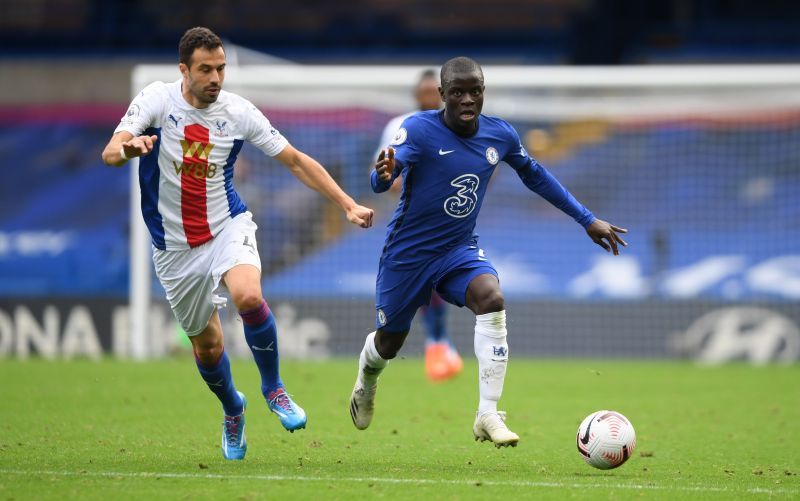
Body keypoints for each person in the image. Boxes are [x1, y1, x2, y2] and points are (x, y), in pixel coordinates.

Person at [101, 27, 374, 460]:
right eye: (205, 69)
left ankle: (274, 389)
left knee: (248, 295)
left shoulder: (239, 112)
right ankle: (233, 409)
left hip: (227, 224)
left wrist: (346, 203)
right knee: (207, 347)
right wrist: (130, 148)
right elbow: (111, 151)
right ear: (184, 71)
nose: (215, 77)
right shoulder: (157, 100)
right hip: (173, 247)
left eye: (221, 68)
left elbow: (296, 161)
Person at [349, 57, 627, 447]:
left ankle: (488, 413)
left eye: (474, 91)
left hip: (458, 248)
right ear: (442, 95)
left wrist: (587, 219)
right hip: (409, 254)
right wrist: (382, 175)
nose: (467, 99)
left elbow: (537, 177)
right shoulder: (417, 129)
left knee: (491, 297)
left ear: (483, 92)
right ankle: (366, 381)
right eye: (457, 92)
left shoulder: (500, 135)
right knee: (389, 343)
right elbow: (383, 181)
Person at [374, 69, 463, 382]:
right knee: (419, 286)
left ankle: (438, 344)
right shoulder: (400, 126)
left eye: (432, 92)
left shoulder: (458, 125)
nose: (428, 97)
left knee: (443, 279)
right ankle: (435, 343)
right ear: (416, 95)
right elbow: (386, 173)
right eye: (423, 92)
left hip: (450, 221)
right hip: (412, 221)